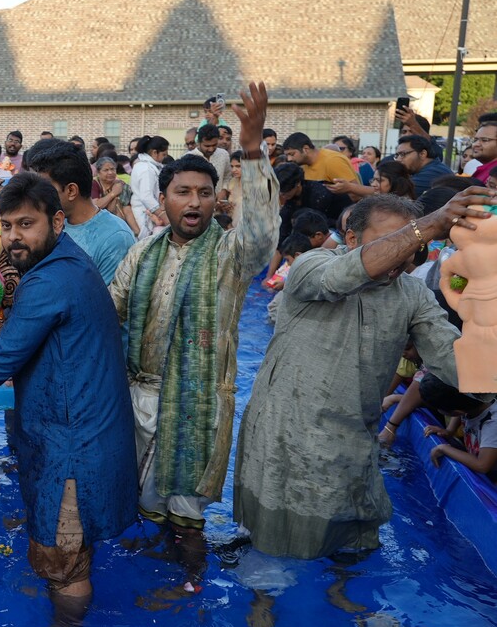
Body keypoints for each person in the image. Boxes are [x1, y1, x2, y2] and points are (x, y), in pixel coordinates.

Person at [0, 172, 136, 627]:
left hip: (74, 443)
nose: (16, 236)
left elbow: (5, 356)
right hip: (80, 429)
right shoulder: (64, 264)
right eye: (8, 225)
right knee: (69, 547)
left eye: (27, 224)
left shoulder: (51, 280)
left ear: (57, 220)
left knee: (64, 559)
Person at [234, 189, 496, 561]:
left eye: (409, 244)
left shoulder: (412, 294)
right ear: (352, 239)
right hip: (284, 433)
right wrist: (428, 226)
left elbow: (458, 364)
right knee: (274, 546)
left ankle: (342, 601)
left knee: (353, 544)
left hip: (353, 438)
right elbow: (340, 277)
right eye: (391, 241)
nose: (402, 253)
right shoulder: (312, 265)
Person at [110, 82, 279, 552]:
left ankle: (188, 587)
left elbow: (263, 234)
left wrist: (252, 150)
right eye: (182, 192)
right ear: (163, 199)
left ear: (216, 199)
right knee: (144, 507)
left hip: (196, 402)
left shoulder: (230, 255)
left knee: (187, 519)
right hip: (138, 394)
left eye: (205, 193)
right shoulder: (142, 252)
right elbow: (111, 308)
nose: (194, 202)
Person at [27, 139, 135, 284]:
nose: (39, 196)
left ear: (71, 191)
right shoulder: (53, 222)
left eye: (45, 189)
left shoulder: (114, 239)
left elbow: (104, 301)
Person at [419, 375, 497, 479]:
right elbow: (460, 410)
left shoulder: (492, 422)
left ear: (455, 412)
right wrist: (449, 430)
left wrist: (444, 449)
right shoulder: (470, 400)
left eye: (439, 408)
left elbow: (482, 465)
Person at [129, 135, 169, 239]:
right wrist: (162, 214)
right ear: (155, 152)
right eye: (164, 154)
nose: (165, 158)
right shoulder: (146, 169)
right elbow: (146, 196)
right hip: (145, 212)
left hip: (148, 211)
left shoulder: (145, 166)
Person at [282, 132, 359, 183]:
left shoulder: (332, 160)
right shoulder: (302, 165)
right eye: (287, 155)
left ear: (305, 149)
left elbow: (355, 195)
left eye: (292, 154)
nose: (289, 159)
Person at [92, 155, 139, 234]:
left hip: (118, 224)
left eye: (112, 169)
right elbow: (96, 205)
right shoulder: (94, 184)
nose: (110, 172)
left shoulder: (121, 185)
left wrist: (137, 231)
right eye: (106, 170)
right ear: (98, 172)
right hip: (97, 226)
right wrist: (113, 193)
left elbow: (127, 210)